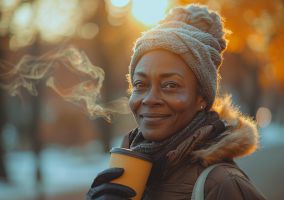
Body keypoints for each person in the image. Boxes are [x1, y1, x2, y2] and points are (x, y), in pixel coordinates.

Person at [87, 4, 266, 200]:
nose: (150, 99)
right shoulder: (132, 171)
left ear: (202, 98)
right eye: (140, 84)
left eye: (170, 85)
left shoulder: (222, 185)